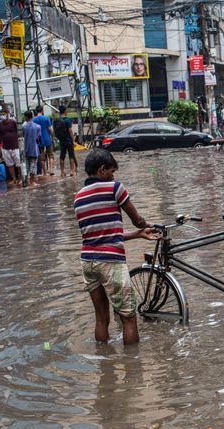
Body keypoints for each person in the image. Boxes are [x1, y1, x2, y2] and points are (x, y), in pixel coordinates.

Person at [73, 148, 159, 346]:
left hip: (88, 262)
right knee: (128, 317)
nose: (113, 176)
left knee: (101, 318)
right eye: (112, 171)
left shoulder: (78, 197)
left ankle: (105, 364)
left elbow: (102, 237)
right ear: (102, 170)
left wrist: (137, 235)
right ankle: (133, 367)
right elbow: (137, 220)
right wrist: (145, 226)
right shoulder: (114, 188)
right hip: (111, 262)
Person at [0, 109, 23, 185]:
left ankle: (20, 178)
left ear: (7, 114)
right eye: (1, 114)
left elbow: (19, 132)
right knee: (9, 164)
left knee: (18, 163)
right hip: (5, 147)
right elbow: (0, 135)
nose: (2, 115)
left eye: (3, 114)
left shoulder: (13, 122)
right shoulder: (0, 125)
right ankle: (13, 179)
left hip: (15, 146)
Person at [54, 106, 76, 177]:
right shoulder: (67, 120)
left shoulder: (57, 120)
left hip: (62, 141)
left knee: (62, 156)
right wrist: (73, 140)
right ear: (65, 111)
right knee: (71, 155)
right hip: (68, 140)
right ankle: (72, 171)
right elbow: (70, 131)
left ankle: (62, 172)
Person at [32, 105, 54, 176]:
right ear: (42, 111)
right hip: (47, 139)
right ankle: (51, 170)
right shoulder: (46, 118)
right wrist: (52, 136)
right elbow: (50, 129)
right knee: (50, 155)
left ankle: (44, 173)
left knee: (42, 158)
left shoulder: (34, 120)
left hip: (39, 140)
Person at [21, 110, 40, 187]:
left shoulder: (23, 127)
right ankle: (32, 182)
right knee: (33, 166)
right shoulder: (37, 127)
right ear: (32, 116)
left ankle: (27, 181)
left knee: (26, 166)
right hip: (34, 149)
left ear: (26, 117)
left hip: (25, 149)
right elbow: (38, 139)